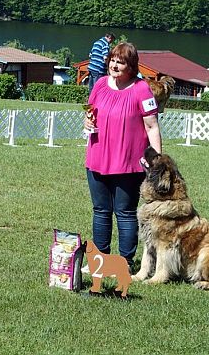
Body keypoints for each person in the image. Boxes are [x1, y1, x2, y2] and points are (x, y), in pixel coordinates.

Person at [83, 42, 162, 272]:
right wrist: (87, 121)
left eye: (121, 62)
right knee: (100, 210)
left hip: (128, 163)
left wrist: (156, 158)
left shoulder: (142, 89)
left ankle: (124, 263)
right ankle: (99, 260)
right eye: (113, 60)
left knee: (125, 213)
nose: (115, 65)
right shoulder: (99, 84)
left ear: (131, 66)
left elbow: (152, 126)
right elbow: (91, 112)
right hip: (97, 158)